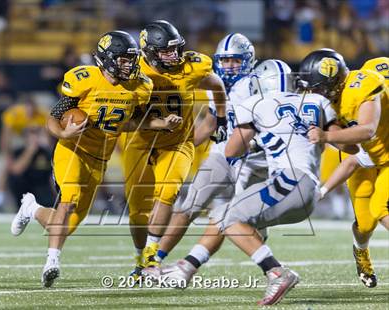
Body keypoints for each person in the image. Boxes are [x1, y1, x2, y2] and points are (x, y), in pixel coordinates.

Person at [143, 59, 358, 306]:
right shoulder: (315, 101)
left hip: (288, 181)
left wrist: (257, 140)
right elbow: (349, 146)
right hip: (306, 190)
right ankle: (187, 266)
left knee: (229, 218)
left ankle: (276, 272)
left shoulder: (255, 103)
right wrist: (325, 136)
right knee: (227, 215)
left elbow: (232, 150)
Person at [10, 30, 181, 288]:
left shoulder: (139, 86)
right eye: (124, 59)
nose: (131, 64)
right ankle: (52, 262)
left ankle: (32, 209)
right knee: (69, 200)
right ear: (108, 59)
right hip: (72, 149)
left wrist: (161, 123)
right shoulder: (85, 79)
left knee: (71, 223)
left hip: (100, 156)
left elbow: (133, 122)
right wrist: (64, 132)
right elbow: (52, 117)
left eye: (132, 59)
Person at [119, 20, 228, 279]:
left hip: (177, 143)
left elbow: (217, 86)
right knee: (137, 211)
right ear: (149, 53)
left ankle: (152, 257)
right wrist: (158, 123)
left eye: (175, 49)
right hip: (141, 141)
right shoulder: (134, 71)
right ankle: (140, 258)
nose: (175, 55)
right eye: (166, 51)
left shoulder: (192, 67)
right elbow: (126, 121)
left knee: (168, 192)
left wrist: (221, 119)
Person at [154, 33, 268, 264]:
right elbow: (210, 123)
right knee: (189, 205)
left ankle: (269, 266)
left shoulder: (257, 85)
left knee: (242, 219)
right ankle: (152, 260)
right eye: (225, 60)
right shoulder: (214, 86)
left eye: (235, 60)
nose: (229, 65)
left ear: (248, 60)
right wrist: (177, 147)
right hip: (223, 153)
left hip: (255, 158)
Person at [302, 53, 389, 288]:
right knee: (365, 223)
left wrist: (326, 135)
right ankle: (361, 252)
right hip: (368, 157)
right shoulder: (329, 105)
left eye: (319, 87)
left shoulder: (365, 85)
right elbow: (353, 156)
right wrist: (321, 191)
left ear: (336, 81)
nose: (315, 94)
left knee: (381, 208)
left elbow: (368, 129)